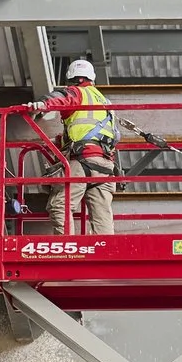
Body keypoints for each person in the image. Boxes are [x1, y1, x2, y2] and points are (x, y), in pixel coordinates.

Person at [34, 58, 118, 234]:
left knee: (60, 206)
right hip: (105, 167)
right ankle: (106, 255)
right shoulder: (105, 102)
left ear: (73, 79)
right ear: (92, 78)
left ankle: (68, 250)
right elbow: (116, 136)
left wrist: (42, 104)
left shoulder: (77, 92)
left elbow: (61, 98)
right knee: (102, 216)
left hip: (82, 161)